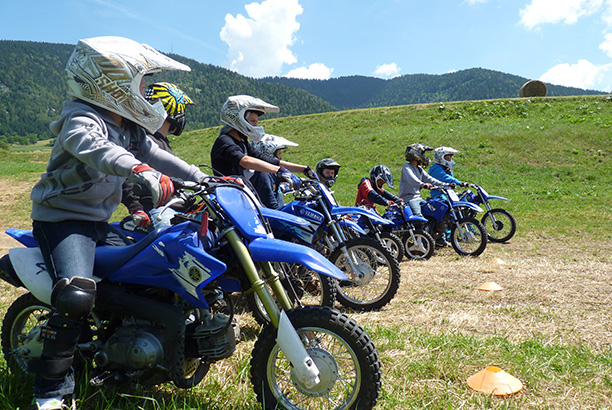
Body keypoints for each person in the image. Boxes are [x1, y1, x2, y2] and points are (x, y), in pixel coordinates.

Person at [28, 36, 208, 410]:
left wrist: (201, 177)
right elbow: (92, 145)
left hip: (101, 222)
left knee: (150, 272)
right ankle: (50, 392)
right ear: (110, 81)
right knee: (77, 295)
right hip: (64, 221)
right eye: (141, 84)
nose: (146, 93)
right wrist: (138, 169)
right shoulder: (81, 115)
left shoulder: (127, 126)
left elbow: (157, 153)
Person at [121, 82, 195, 229]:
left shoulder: (162, 142)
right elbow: (125, 176)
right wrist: (137, 208)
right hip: (157, 210)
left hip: (176, 207)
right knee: (174, 243)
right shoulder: (145, 142)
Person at [210, 95, 315, 188]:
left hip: (241, 194)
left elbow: (266, 159)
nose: (255, 126)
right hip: (227, 197)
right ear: (238, 119)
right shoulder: (224, 141)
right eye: (252, 121)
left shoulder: (242, 142)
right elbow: (245, 161)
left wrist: (304, 169)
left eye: (256, 122)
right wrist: (279, 171)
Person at [398, 143, 455, 218]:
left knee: (433, 212)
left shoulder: (419, 169)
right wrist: (422, 184)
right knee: (418, 217)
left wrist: (446, 185)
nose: (424, 157)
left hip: (418, 197)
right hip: (408, 198)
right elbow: (412, 179)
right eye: (423, 154)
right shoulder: (406, 166)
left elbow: (431, 179)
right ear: (416, 154)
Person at [250, 134, 299, 209]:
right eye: (279, 154)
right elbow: (270, 205)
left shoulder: (270, 174)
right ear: (268, 153)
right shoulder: (263, 174)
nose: (280, 157)